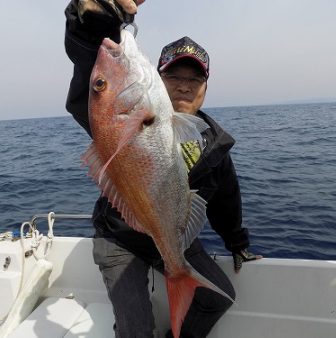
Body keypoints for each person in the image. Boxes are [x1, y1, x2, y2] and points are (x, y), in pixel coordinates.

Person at [64, 1, 261, 337]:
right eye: (174, 75)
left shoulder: (215, 145)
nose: (184, 85)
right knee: (135, 331)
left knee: (218, 298)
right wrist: (88, 22)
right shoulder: (112, 118)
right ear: (157, 77)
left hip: (171, 235)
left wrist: (236, 242)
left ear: (205, 88)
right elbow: (88, 71)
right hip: (120, 240)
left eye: (195, 79)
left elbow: (226, 200)